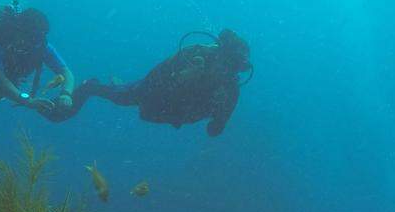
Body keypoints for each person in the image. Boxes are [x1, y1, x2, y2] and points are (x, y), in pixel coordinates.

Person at [59, 29, 251, 136]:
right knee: (121, 97)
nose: (227, 72)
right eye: (225, 64)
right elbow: (155, 77)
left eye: (233, 69)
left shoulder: (230, 89)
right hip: (151, 94)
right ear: (218, 55)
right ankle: (91, 86)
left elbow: (214, 130)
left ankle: (118, 84)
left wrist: (220, 114)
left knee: (126, 95)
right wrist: (184, 77)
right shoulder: (194, 56)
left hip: (171, 114)